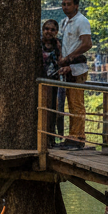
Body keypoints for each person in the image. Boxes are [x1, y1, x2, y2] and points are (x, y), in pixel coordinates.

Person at [58, 0, 92, 149]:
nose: (65, 7)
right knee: (69, 103)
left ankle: (78, 138)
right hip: (67, 68)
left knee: (77, 103)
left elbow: (87, 44)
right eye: (64, 4)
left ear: (76, 6)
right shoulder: (65, 22)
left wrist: (70, 58)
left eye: (69, 4)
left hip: (77, 68)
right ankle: (71, 136)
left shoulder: (81, 21)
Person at [39, 19, 62, 147]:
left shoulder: (58, 45)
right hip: (40, 81)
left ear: (56, 32)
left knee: (53, 110)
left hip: (53, 82)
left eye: (52, 29)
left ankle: (51, 139)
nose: (49, 32)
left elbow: (60, 60)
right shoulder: (38, 43)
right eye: (46, 29)